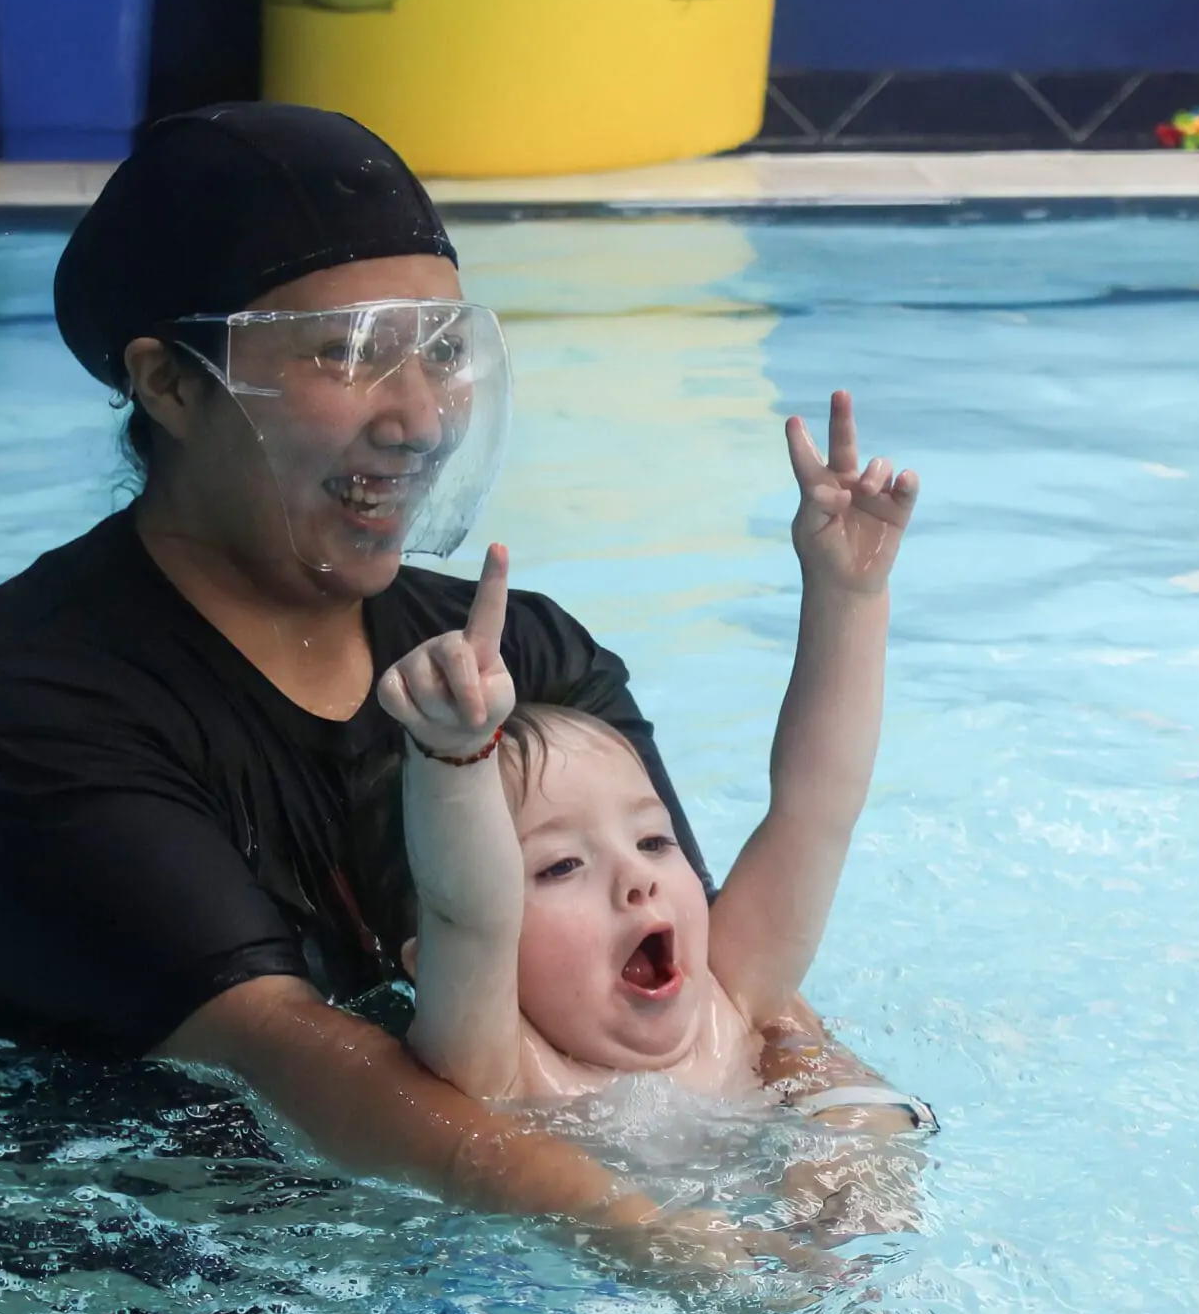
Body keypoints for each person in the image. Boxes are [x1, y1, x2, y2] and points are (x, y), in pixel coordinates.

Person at [0, 103, 858, 1270]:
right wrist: (640, 1232)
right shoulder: (29, 703)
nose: (422, 416)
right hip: (34, 1237)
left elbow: (727, 972)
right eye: (345, 353)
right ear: (171, 387)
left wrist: (845, 1132)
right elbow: (287, 1056)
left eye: (439, 350)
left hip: (418, 1215)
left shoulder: (520, 656)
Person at [377, 393, 934, 1141]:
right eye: (561, 866)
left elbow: (815, 807)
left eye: (653, 842)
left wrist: (849, 594)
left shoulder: (728, 998)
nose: (637, 879)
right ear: (429, 965)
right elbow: (467, 910)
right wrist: (453, 755)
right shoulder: (505, 1070)